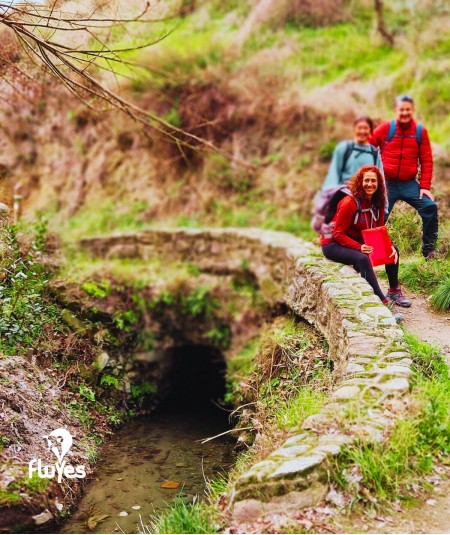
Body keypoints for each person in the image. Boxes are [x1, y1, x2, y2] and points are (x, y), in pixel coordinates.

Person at [321, 165, 411, 308]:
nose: (370, 184)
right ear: (360, 182)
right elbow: (338, 234)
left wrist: (389, 246)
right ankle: (382, 302)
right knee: (362, 258)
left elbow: (379, 230)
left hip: (356, 239)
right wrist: (359, 247)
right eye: (366, 180)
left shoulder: (379, 201)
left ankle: (394, 291)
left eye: (373, 181)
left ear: (379, 183)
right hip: (333, 243)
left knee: (394, 251)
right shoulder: (349, 203)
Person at [369, 94, 438, 260]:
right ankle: (372, 256)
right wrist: (371, 175)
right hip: (386, 184)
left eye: (408, 109)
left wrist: (424, 187)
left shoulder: (420, 132)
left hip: (409, 184)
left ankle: (429, 252)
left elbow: (427, 160)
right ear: (396, 110)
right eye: (402, 110)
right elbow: (368, 147)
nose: (405, 113)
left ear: (412, 110)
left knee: (430, 207)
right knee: (377, 216)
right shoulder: (386, 128)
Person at [322, 116, 384, 189]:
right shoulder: (343, 148)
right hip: (345, 194)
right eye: (359, 128)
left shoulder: (374, 153)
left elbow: (380, 179)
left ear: (370, 131)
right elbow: (334, 173)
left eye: (365, 128)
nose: (362, 131)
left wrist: (382, 199)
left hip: (366, 196)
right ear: (354, 129)